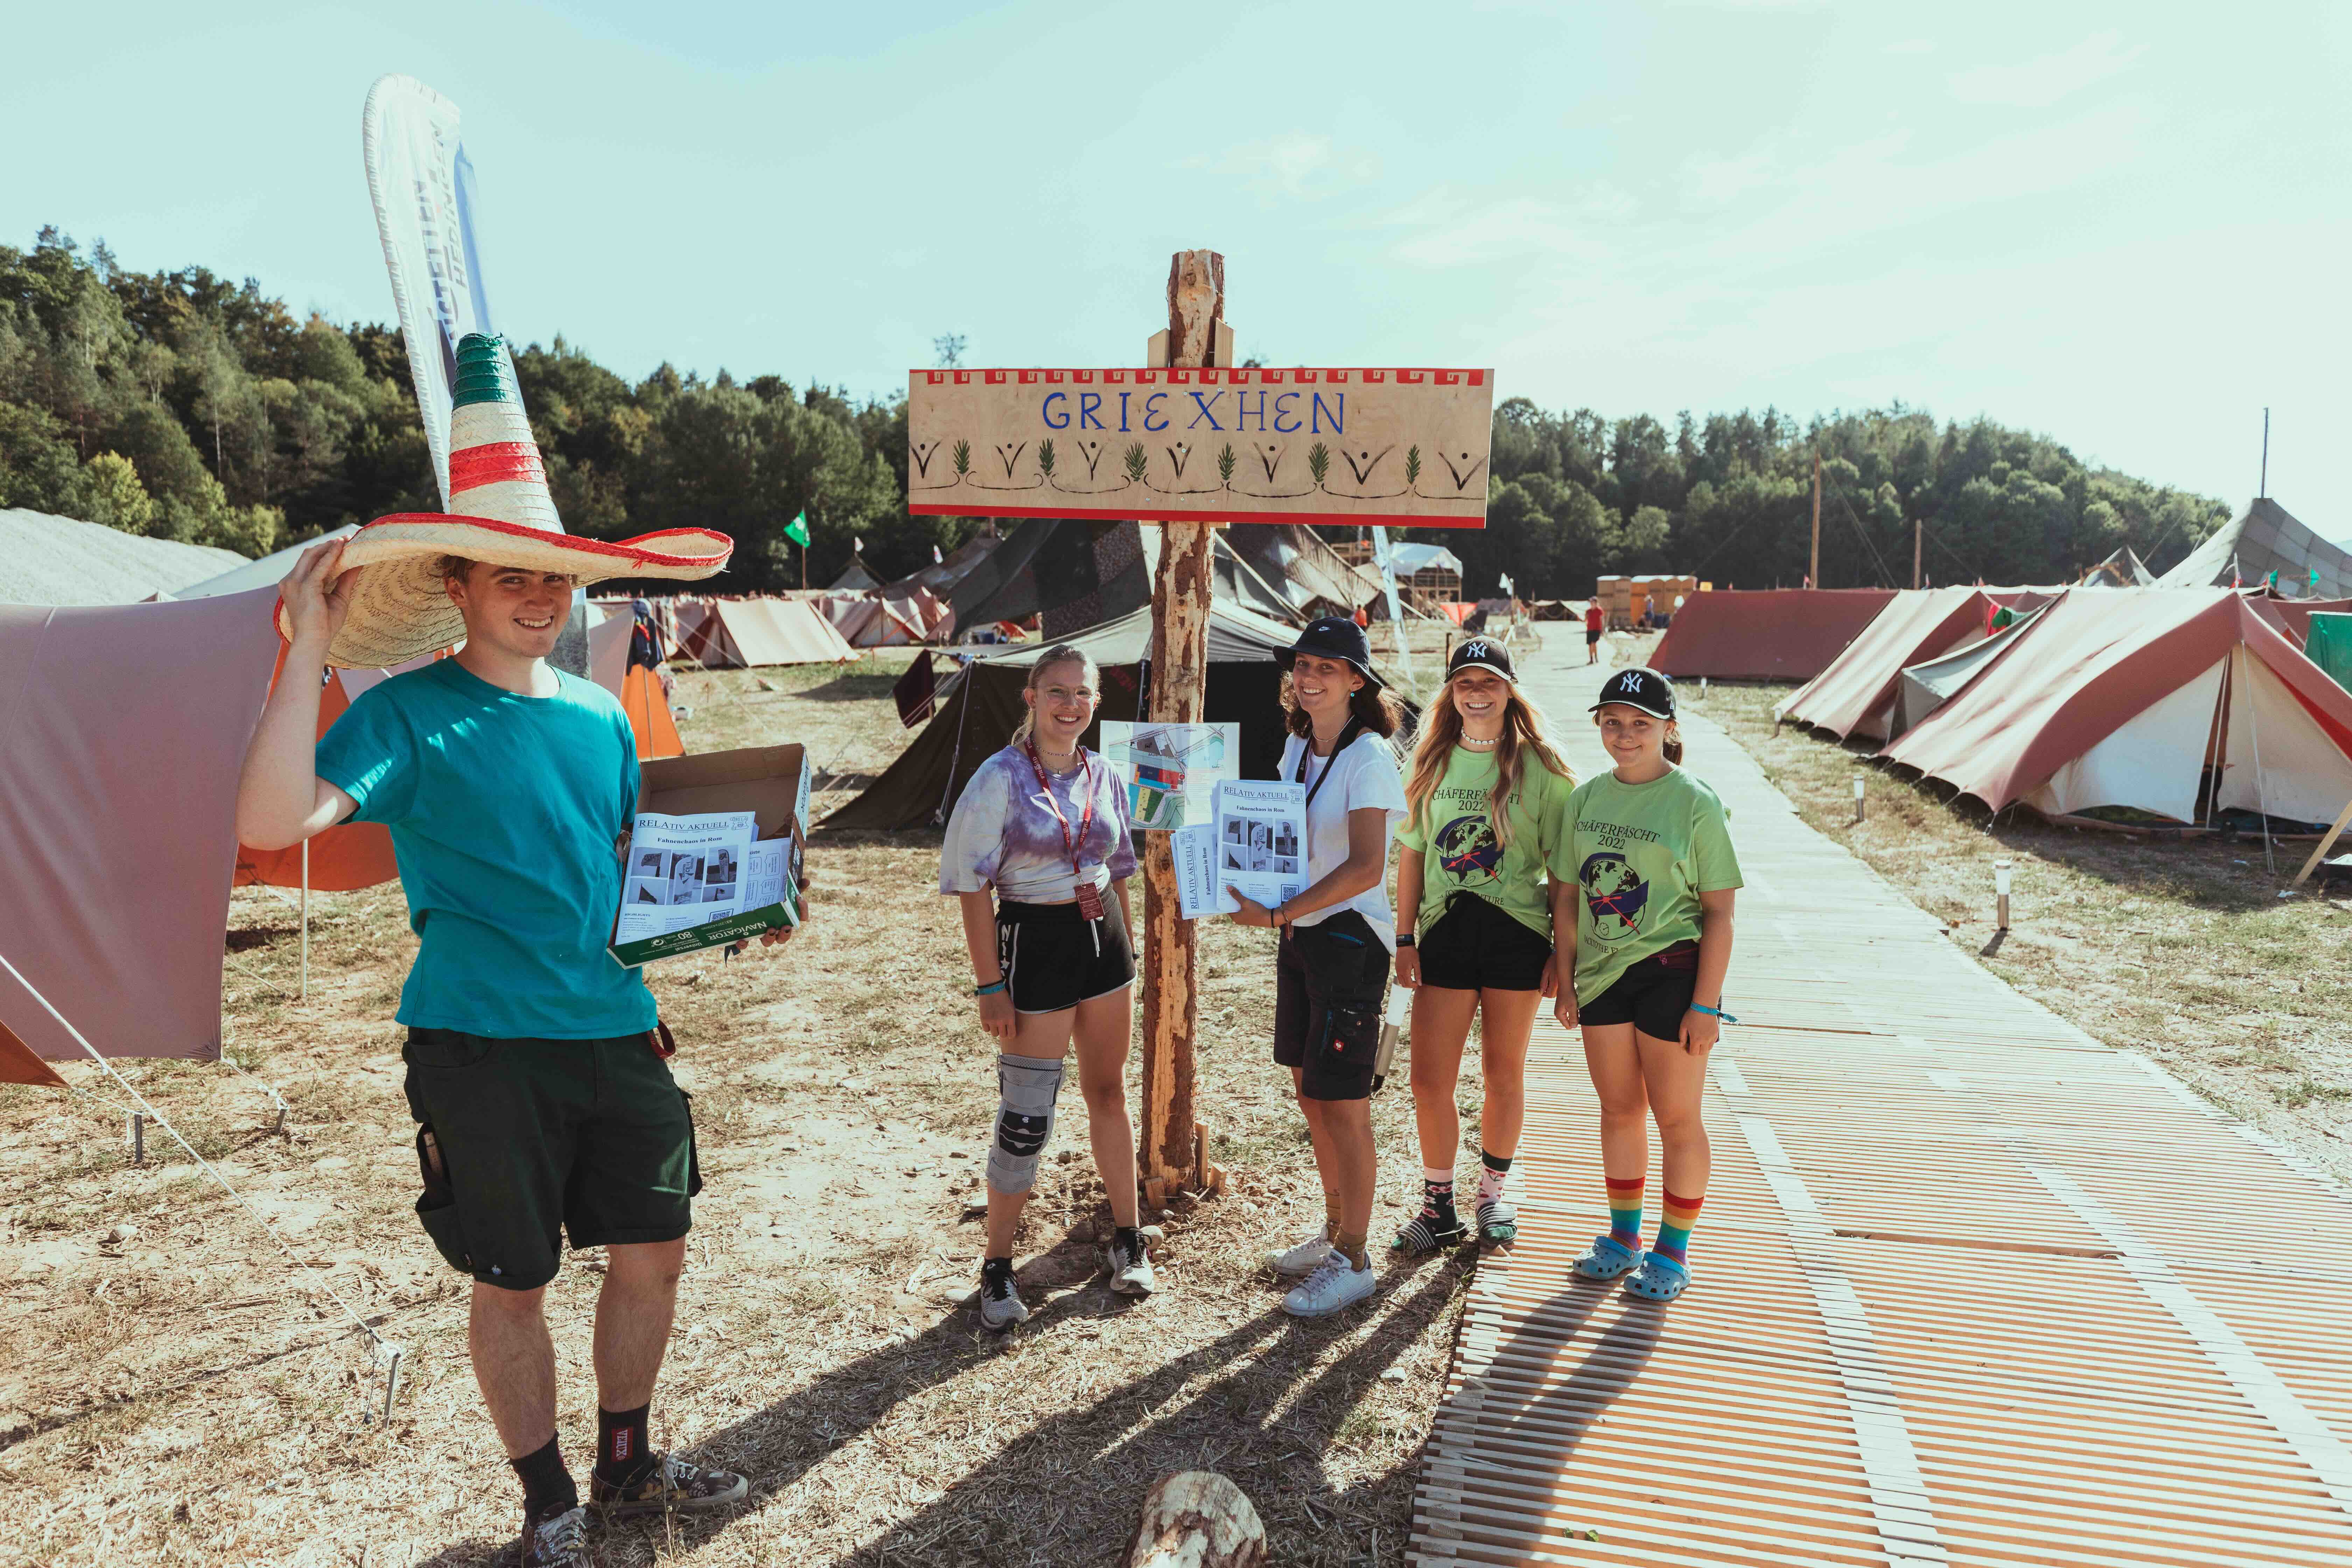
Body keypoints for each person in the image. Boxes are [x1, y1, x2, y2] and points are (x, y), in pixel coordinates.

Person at [233, 332, 752, 1568]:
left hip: (617, 1027)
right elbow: (270, 823)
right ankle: (548, 1499)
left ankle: (626, 1463)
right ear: (457, 587)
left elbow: (626, 868)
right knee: (513, 1278)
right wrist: (307, 647)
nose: (538, 597)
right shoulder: (409, 714)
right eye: (509, 575)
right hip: (481, 1043)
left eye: (553, 578)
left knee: (655, 1251)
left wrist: (736, 901)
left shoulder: (601, 717)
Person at [941, 644, 1156, 1330]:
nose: (1071, 705)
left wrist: (1128, 947)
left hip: (1104, 943)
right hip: (1035, 944)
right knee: (1027, 1112)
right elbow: (971, 886)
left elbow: (1120, 868)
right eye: (1057, 691)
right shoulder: (999, 777)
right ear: (1032, 698)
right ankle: (997, 1265)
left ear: (1096, 701)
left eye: (1083, 693)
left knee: (1109, 1092)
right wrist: (989, 984)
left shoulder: (1105, 771)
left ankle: (1128, 1237)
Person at [1553, 667, 1741, 1305]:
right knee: (1618, 1110)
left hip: (1672, 972)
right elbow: (1568, 896)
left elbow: (1720, 913)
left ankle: (1673, 1250)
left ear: (1669, 728)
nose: (1625, 735)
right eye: (1612, 722)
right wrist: (1566, 979)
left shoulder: (1695, 802)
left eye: (1640, 724)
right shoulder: (1585, 799)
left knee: (1678, 1118)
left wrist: (1706, 1005)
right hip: (1602, 976)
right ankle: (1622, 1238)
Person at [1242, 617, 1408, 1317]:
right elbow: (1282, 840)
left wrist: (1280, 912)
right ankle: (1336, 1230)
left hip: (1349, 942)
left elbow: (1368, 866)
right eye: (1303, 665)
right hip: (1304, 934)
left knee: (1344, 1106)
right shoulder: (1298, 745)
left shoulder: (1368, 756)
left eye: (1327, 668)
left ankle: (1357, 1259)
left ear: (1357, 681)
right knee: (1311, 1094)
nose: (1309, 678)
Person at [1391, 638, 1578, 1254]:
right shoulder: (1430, 760)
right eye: (1465, 682)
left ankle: (1493, 1195)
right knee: (1429, 1081)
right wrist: (1405, 938)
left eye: (1489, 682)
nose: (1477, 693)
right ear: (1451, 692)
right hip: (1445, 933)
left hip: (1517, 934)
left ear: (1509, 690)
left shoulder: (1542, 768)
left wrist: (1561, 955)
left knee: (1503, 1074)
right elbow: (1412, 854)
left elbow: (1564, 874)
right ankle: (1438, 1206)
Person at [1583, 599, 1606, 664]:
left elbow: (1602, 621)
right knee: (1590, 645)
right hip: (1589, 630)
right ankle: (1591, 660)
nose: (1592, 604)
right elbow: (1585, 620)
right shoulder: (1588, 611)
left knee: (1594, 643)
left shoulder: (1600, 611)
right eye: (1591, 603)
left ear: (1596, 603)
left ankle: (1596, 657)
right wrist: (1584, 618)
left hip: (1597, 630)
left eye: (1593, 603)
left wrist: (1603, 630)